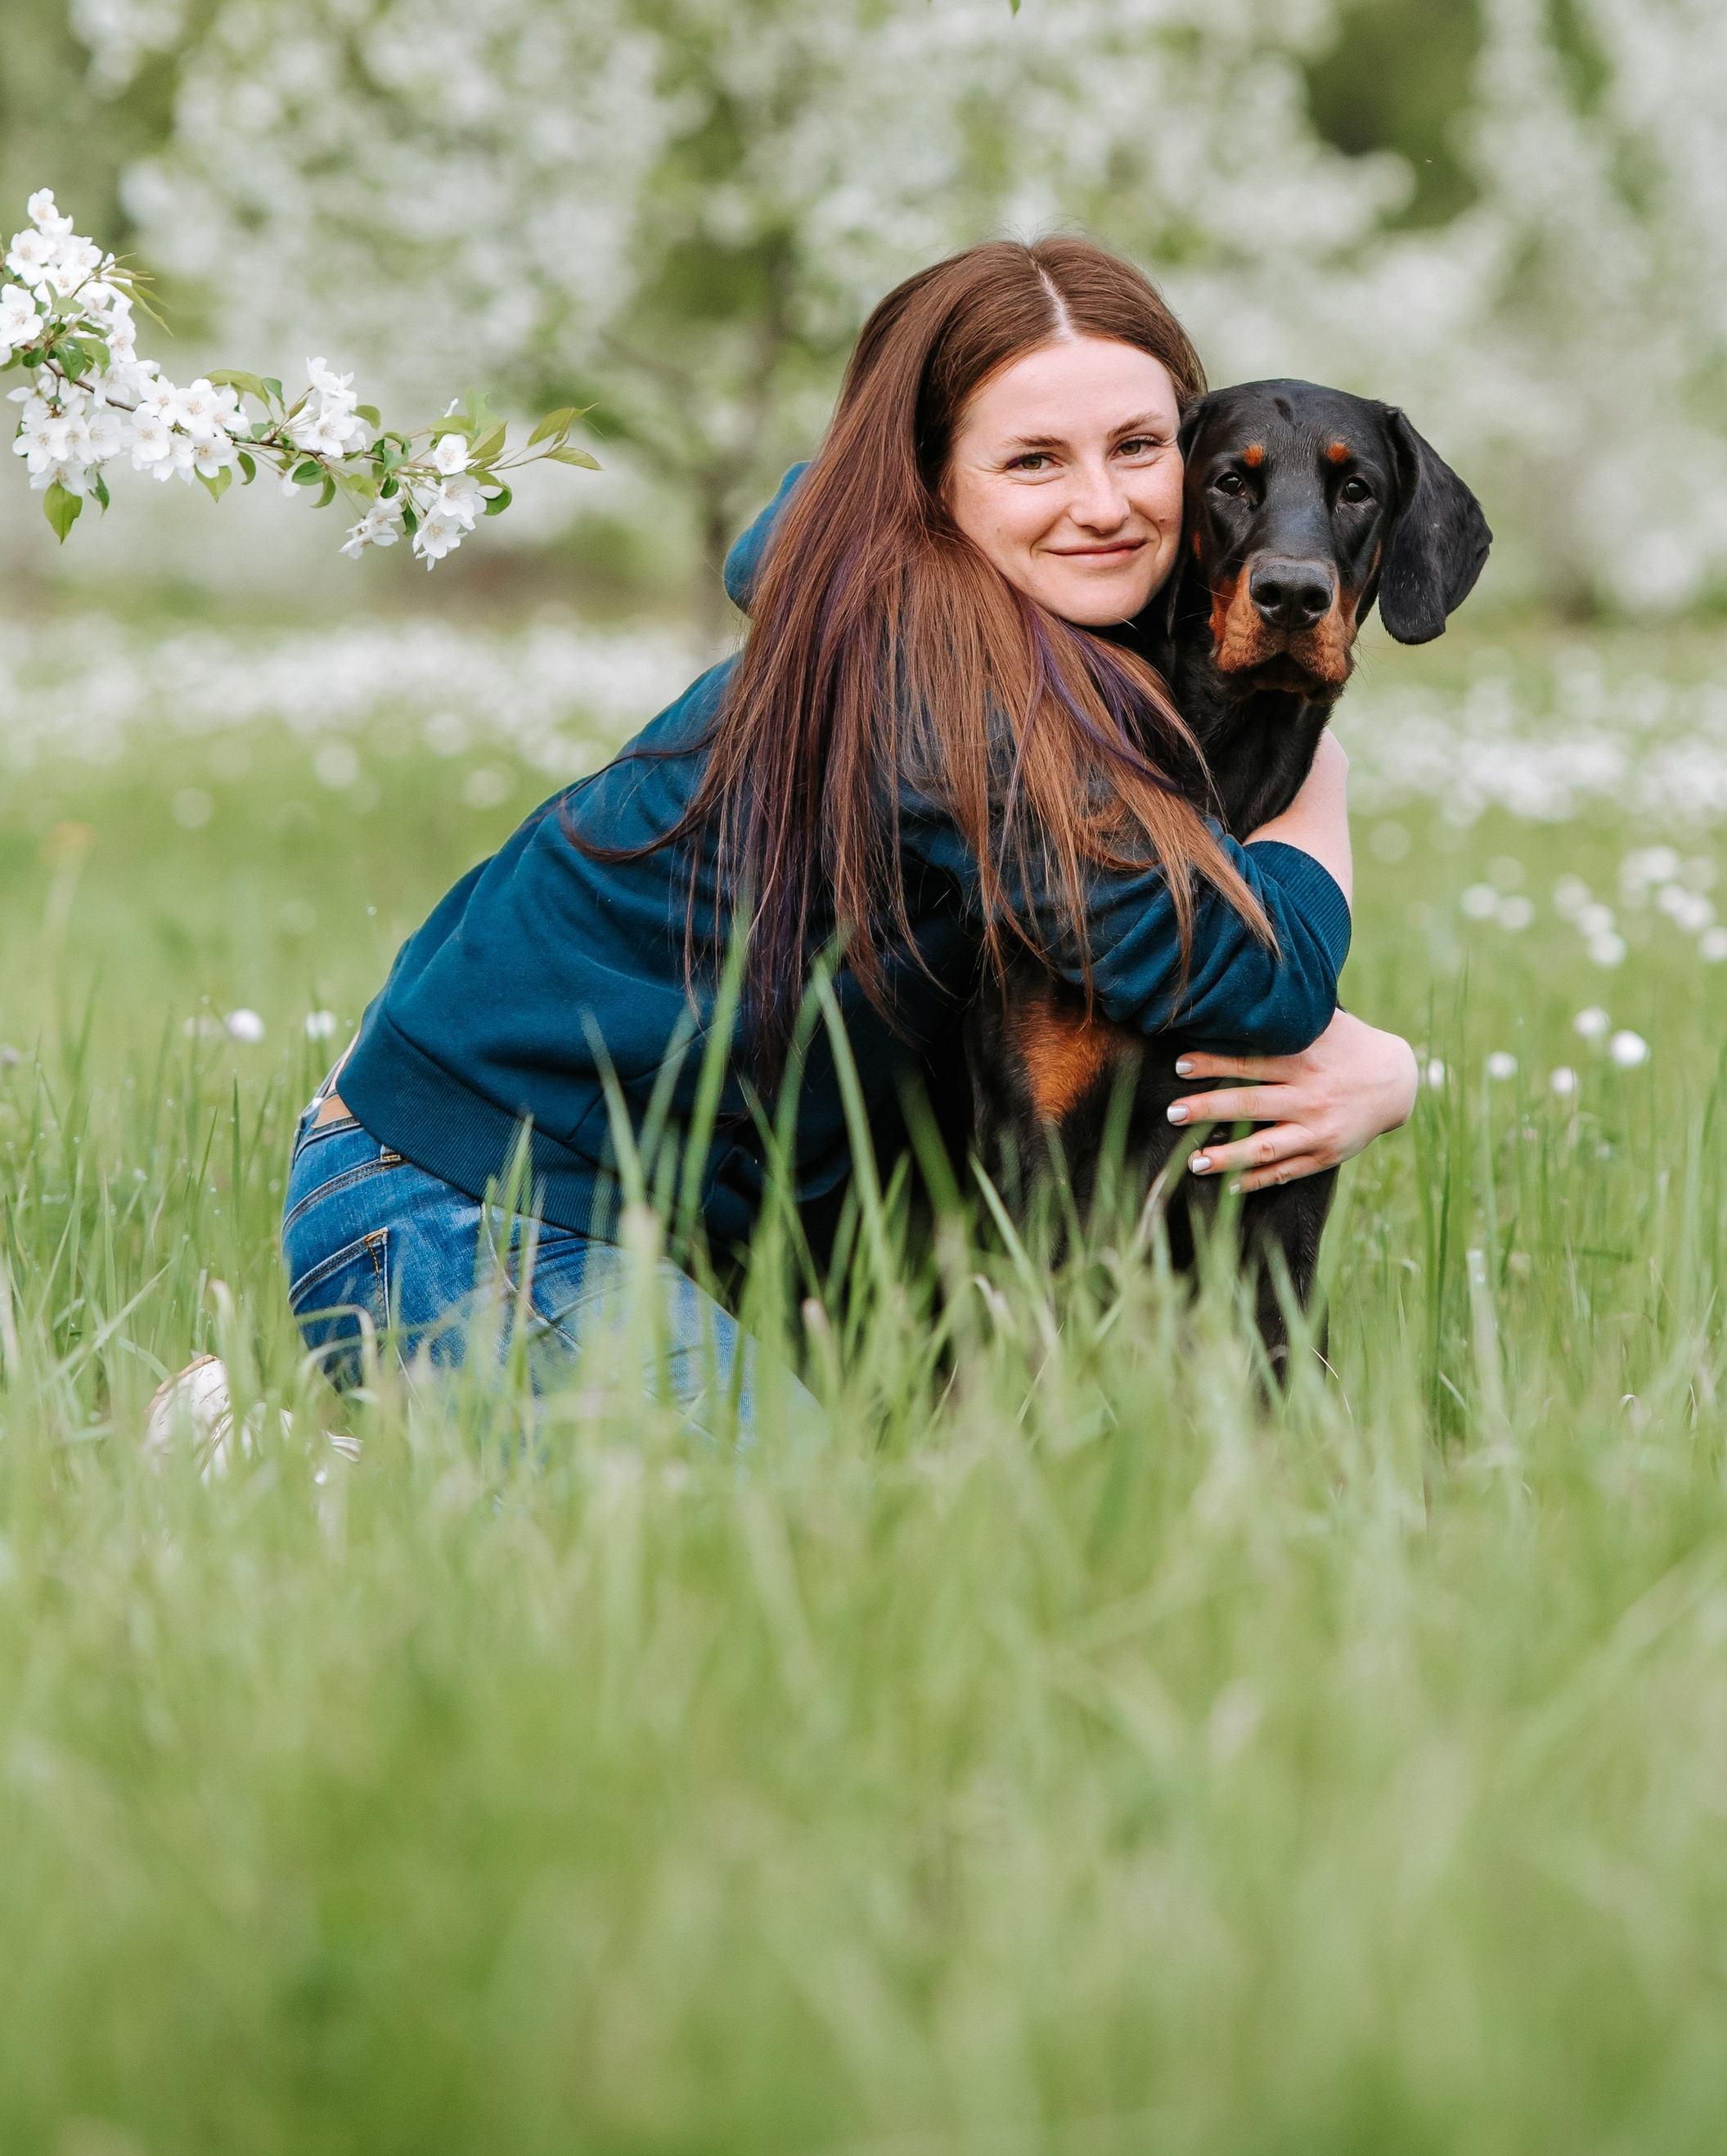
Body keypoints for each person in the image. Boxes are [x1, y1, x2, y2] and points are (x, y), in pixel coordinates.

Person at [281, 240, 1419, 1430]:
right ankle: (262, 1449)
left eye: (1136, 447)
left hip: (686, 1222)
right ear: (928, 481)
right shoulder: (928, 671)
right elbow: (1251, 980)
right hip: (459, 1201)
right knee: (779, 1525)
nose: (1102, 504)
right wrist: (1319, 807)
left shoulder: (1043, 639)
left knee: (904, 1496)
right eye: (1034, 459)